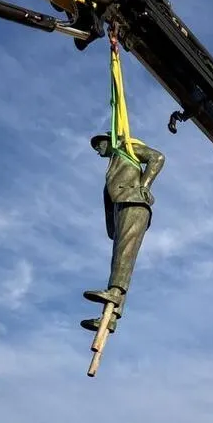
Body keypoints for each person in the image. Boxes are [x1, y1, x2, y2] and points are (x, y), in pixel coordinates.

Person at [81, 133, 165, 334]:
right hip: (122, 207)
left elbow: (157, 157)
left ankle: (113, 294)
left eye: (99, 144)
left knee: (124, 256)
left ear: (110, 140)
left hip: (133, 202)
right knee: (121, 260)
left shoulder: (126, 149)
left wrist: (144, 186)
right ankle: (110, 317)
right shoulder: (114, 163)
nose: (97, 149)